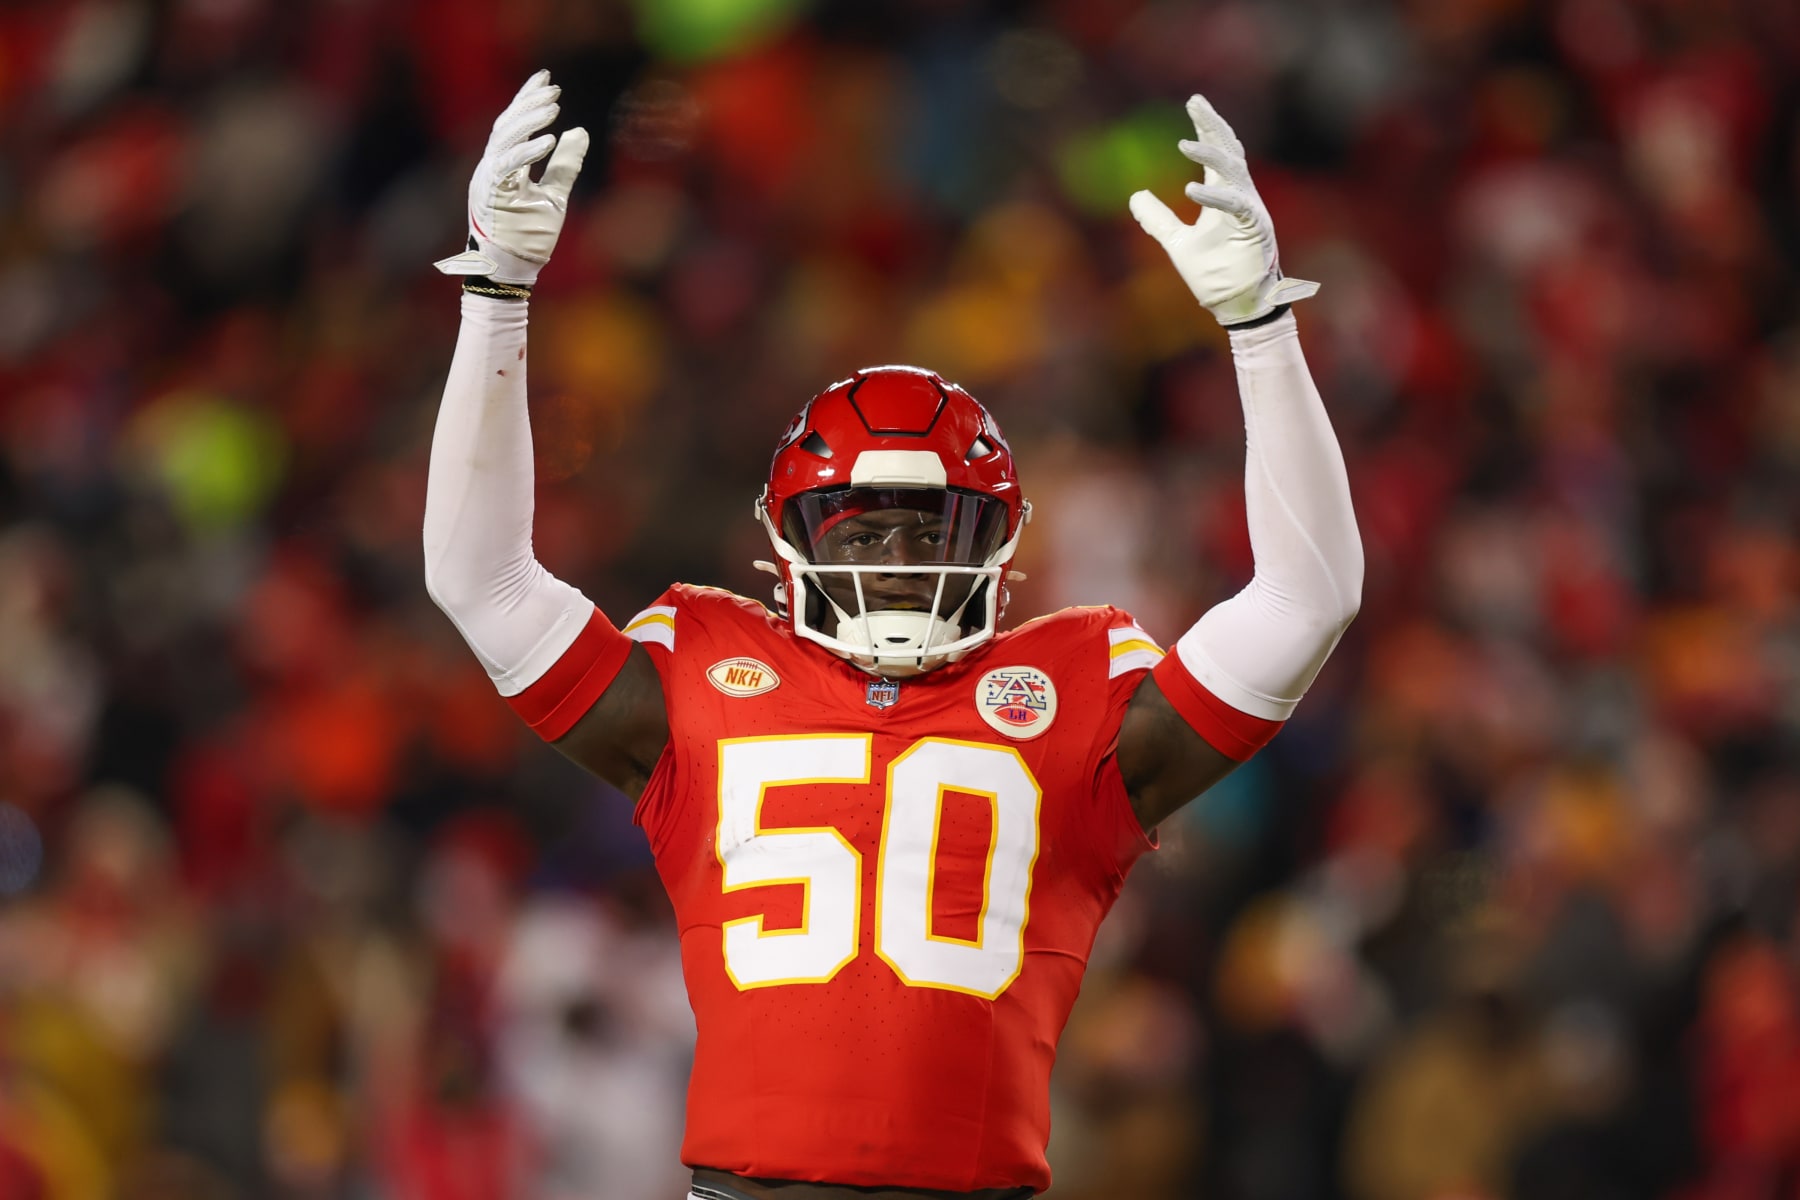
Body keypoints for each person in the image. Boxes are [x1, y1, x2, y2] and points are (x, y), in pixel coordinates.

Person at [424, 71, 1361, 1200]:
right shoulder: (704, 677)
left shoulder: (1077, 697)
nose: (901, 562)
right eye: (862, 531)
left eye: (934, 530)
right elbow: (477, 579)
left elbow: (1310, 600)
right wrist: (497, 293)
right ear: (788, 540)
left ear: (1000, 539)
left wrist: (1261, 327)